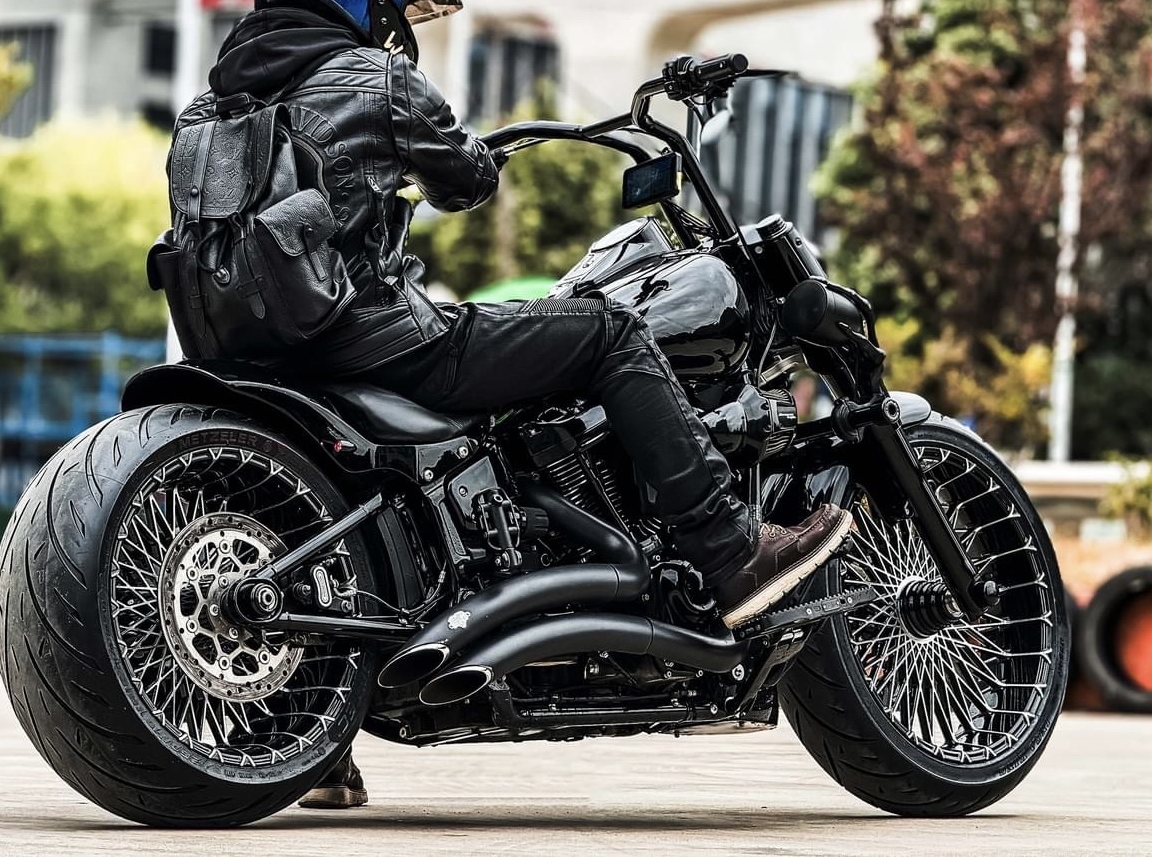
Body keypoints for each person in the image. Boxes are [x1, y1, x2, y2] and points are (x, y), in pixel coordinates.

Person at [190, 0, 852, 810]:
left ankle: (310, 731)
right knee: (609, 331)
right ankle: (728, 550)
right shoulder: (376, 77)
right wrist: (457, 153)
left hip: (257, 358)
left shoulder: (211, 107)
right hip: (379, 341)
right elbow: (466, 179)